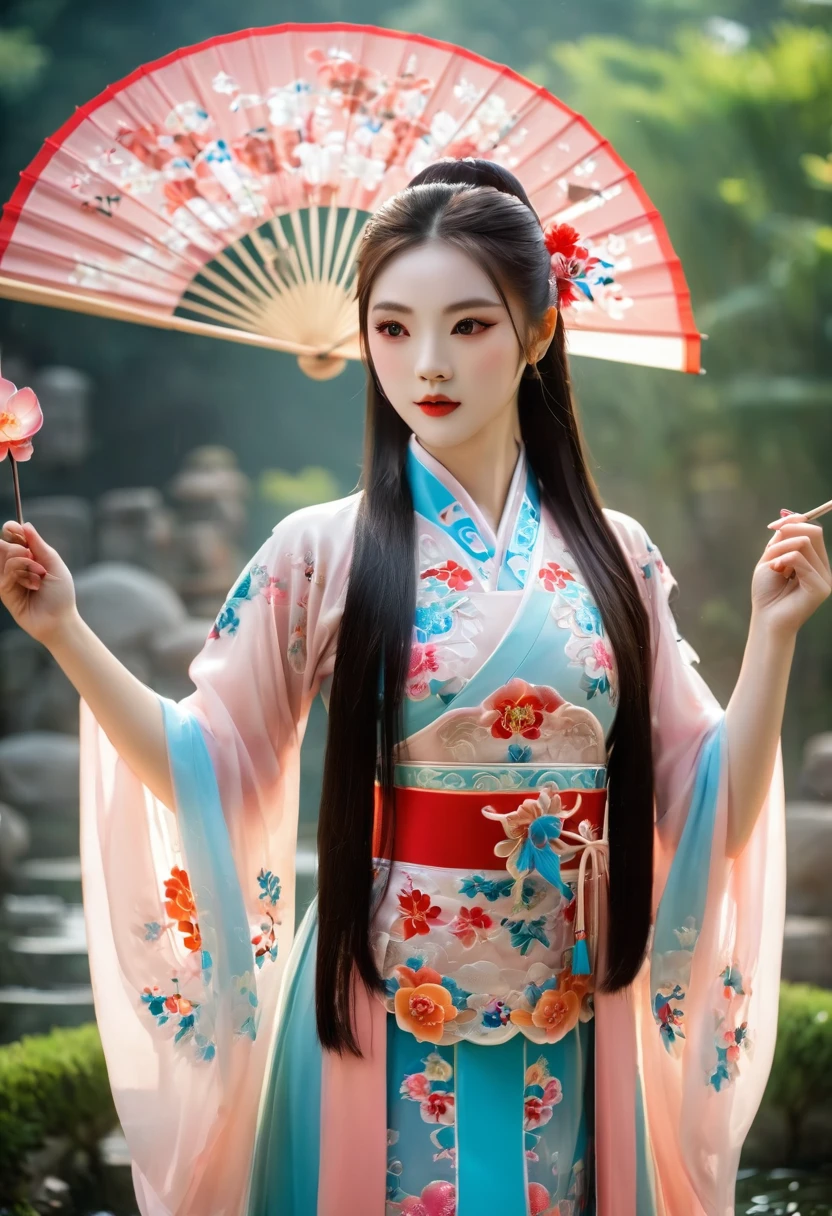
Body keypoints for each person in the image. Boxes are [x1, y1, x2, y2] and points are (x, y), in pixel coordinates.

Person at [1, 158, 829, 1216]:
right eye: (391, 328)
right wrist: (65, 631)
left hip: (574, 1007)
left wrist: (772, 634)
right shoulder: (317, 550)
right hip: (386, 994)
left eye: (468, 326)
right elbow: (204, 761)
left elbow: (713, 801)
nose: (426, 363)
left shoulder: (617, 557)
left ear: (536, 334)